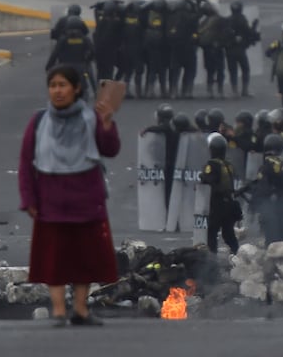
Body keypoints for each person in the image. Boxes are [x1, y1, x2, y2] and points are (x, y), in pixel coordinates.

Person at [18, 65, 120, 327]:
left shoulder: (91, 118)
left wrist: (108, 123)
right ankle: (59, 310)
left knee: (86, 256)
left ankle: (81, 309)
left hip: (87, 197)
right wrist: (28, 199)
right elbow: (26, 162)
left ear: (76, 89)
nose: (57, 91)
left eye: (63, 85)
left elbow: (110, 149)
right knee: (54, 258)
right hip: (51, 199)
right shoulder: (38, 121)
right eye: (53, 85)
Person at [251, 133, 283, 244]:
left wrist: (255, 205)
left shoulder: (266, 165)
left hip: (272, 207)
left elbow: (262, 188)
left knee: (271, 241)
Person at [200, 133, 240, 255]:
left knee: (211, 233)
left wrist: (202, 176)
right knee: (228, 234)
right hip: (230, 203)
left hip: (217, 204)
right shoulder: (228, 165)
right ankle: (237, 254)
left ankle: (212, 259)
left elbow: (209, 180)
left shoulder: (211, 165)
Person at [141, 103, 179, 205]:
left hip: (169, 162)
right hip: (174, 161)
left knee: (167, 191)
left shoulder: (168, 128)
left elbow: (163, 128)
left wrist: (148, 129)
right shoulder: (175, 126)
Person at [225, 0, 259, 97]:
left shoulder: (227, 20)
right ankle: (245, 90)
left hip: (229, 50)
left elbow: (223, 34)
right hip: (240, 50)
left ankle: (234, 91)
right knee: (245, 69)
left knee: (233, 71)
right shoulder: (242, 19)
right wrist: (254, 25)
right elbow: (249, 33)